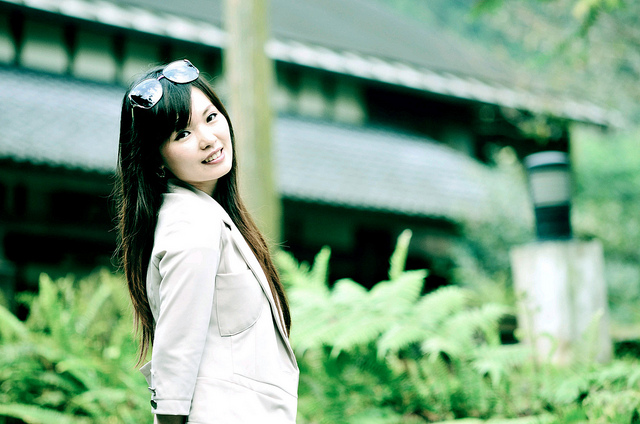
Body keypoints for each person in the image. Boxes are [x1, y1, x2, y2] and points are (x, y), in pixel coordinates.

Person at [114, 59, 299, 424]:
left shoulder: (205, 214)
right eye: (182, 134)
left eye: (211, 117)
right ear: (156, 160)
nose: (208, 139)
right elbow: (175, 355)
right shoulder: (192, 225)